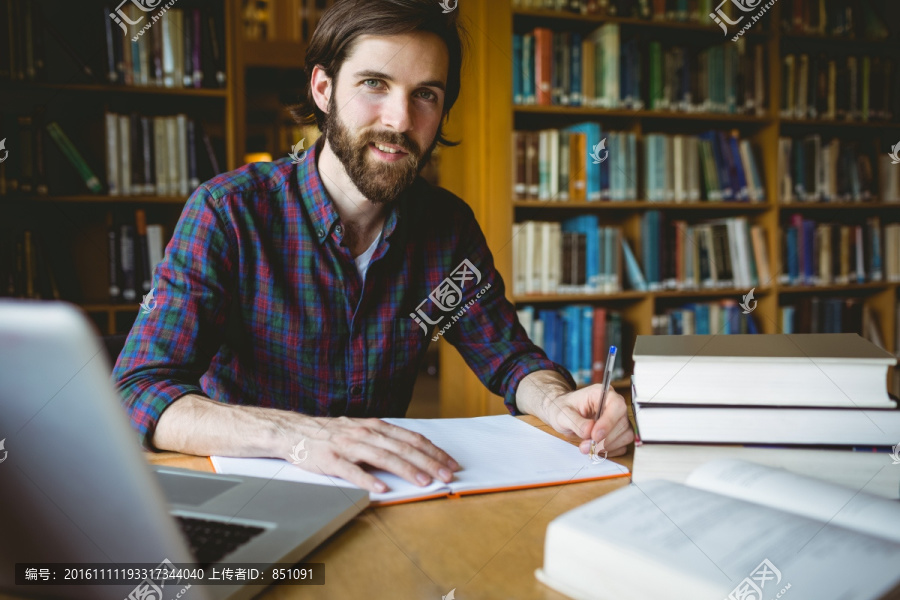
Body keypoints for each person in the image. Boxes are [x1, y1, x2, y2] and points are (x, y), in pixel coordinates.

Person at [113, 0, 633, 494]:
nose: (400, 120)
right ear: (323, 87)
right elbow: (138, 389)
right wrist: (302, 437)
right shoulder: (228, 214)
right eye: (374, 84)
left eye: (425, 94)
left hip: (385, 495)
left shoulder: (446, 229)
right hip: (251, 491)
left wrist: (560, 402)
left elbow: (510, 360)